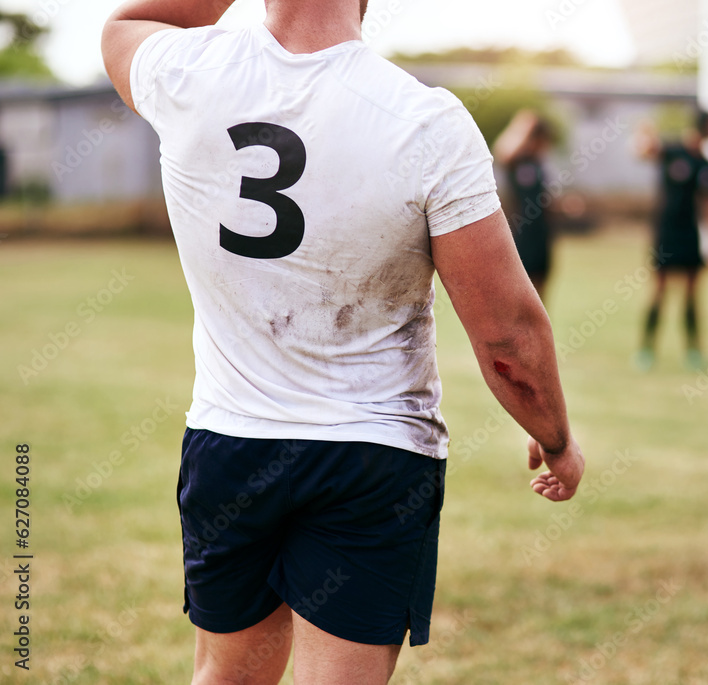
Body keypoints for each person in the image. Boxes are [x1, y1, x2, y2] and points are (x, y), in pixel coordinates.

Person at [102, 1, 585, 683]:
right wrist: (556, 437)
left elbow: (126, 25)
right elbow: (506, 331)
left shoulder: (187, 73)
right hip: (372, 455)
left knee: (225, 675)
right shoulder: (424, 119)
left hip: (230, 442)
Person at [634, 110, 708, 370]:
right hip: (666, 232)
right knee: (659, 292)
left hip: (690, 234)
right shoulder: (673, 151)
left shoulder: (707, 165)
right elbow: (643, 152)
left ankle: (693, 351)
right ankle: (646, 350)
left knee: (691, 295)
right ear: (705, 127)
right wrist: (645, 131)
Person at [494, 110, 555, 302]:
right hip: (520, 234)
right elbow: (501, 150)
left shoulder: (539, 165)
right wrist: (523, 124)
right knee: (519, 294)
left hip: (541, 234)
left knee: (541, 292)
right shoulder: (515, 161)